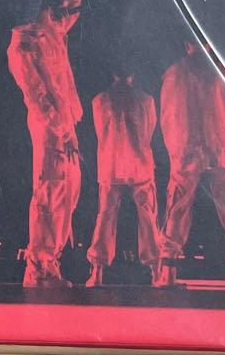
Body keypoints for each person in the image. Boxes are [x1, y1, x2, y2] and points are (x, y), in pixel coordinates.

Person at [156, 38, 225, 289]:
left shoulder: (175, 72)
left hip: (187, 149)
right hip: (220, 147)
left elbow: (168, 114)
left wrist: (176, 150)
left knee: (177, 206)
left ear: (187, 45)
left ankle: (167, 271)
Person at [7, 0, 83, 287]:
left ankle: (51, 262)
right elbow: (36, 95)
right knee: (50, 195)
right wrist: (61, 129)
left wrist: (70, 4)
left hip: (65, 126)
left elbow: (69, 15)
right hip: (51, 128)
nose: (58, 14)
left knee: (68, 194)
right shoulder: (24, 44)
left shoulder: (51, 32)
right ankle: (39, 268)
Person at [85, 67, 160, 287]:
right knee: (148, 217)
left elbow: (100, 133)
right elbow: (149, 132)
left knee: (105, 216)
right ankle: (156, 270)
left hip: (111, 164)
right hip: (139, 164)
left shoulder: (100, 101)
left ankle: (97, 271)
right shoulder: (146, 100)